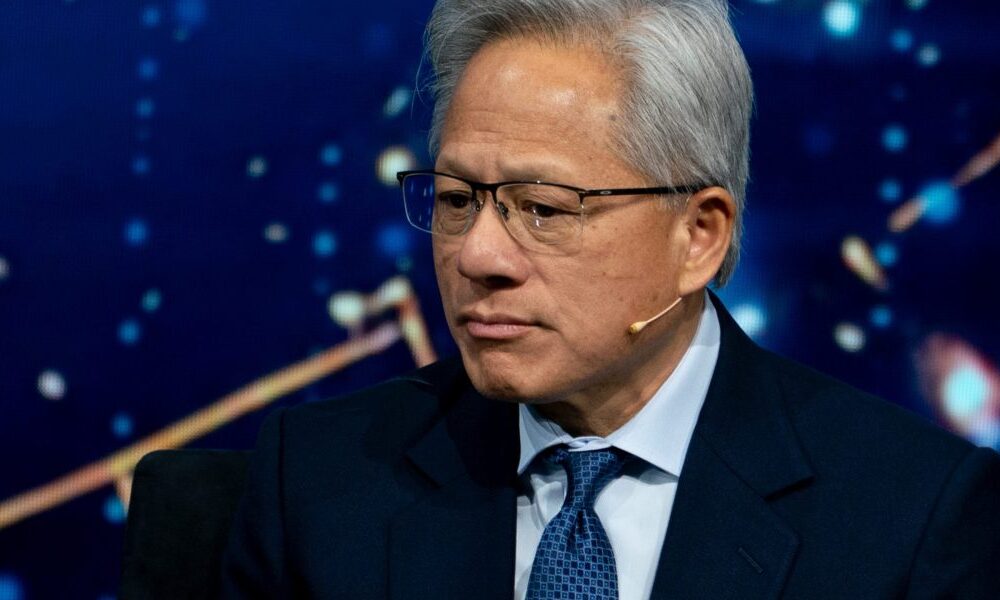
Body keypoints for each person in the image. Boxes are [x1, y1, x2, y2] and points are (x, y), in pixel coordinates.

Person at [221, 0, 1000, 598]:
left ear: (698, 236)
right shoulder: (317, 485)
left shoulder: (912, 514)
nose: (478, 256)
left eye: (542, 208)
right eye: (457, 199)